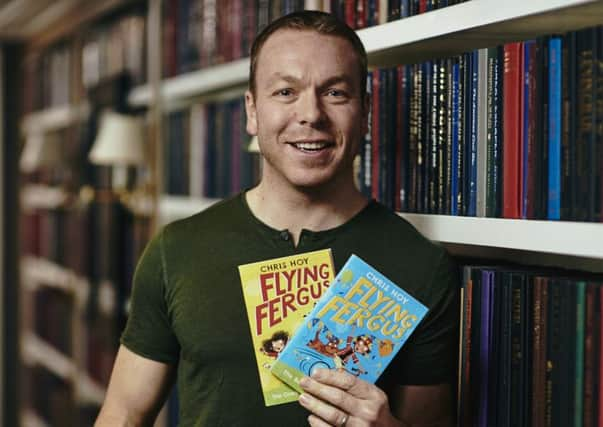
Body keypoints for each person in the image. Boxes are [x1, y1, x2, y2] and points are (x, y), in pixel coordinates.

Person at [95, 10, 459, 427]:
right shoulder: (175, 250)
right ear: (252, 111)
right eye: (286, 92)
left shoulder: (420, 264)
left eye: (336, 93)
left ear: (365, 112)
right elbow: (123, 415)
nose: (311, 115)